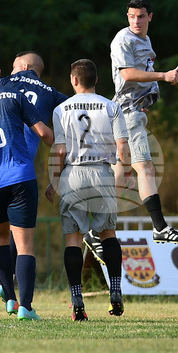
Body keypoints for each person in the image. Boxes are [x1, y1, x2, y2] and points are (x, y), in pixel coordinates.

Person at [0, 51, 70, 306]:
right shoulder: (45, 93)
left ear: (24, 66)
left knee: (1, 235)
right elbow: (65, 116)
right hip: (20, 165)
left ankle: (8, 293)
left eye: (14, 66)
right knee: (24, 240)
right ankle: (25, 306)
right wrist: (67, 151)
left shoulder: (0, 86)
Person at [98, 0, 178, 248]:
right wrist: (163, 76)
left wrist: (146, 97)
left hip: (132, 111)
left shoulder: (145, 39)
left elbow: (140, 76)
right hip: (127, 113)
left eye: (140, 16)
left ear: (150, 17)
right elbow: (128, 74)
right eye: (131, 16)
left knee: (121, 173)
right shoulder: (123, 39)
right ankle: (160, 227)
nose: (136, 21)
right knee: (146, 169)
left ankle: (95, 226)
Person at [46, 59, 130, 320]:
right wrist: (126, 171)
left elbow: (60, 150)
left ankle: (77, 299)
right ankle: (115, 291)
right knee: (108, 234)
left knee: (73, 239)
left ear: (74, 80)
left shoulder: (61, 109)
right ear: (96, 80)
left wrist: (54, 181)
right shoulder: (111, 106)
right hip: (102, 172)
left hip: (73, 174)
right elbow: (122, 146)